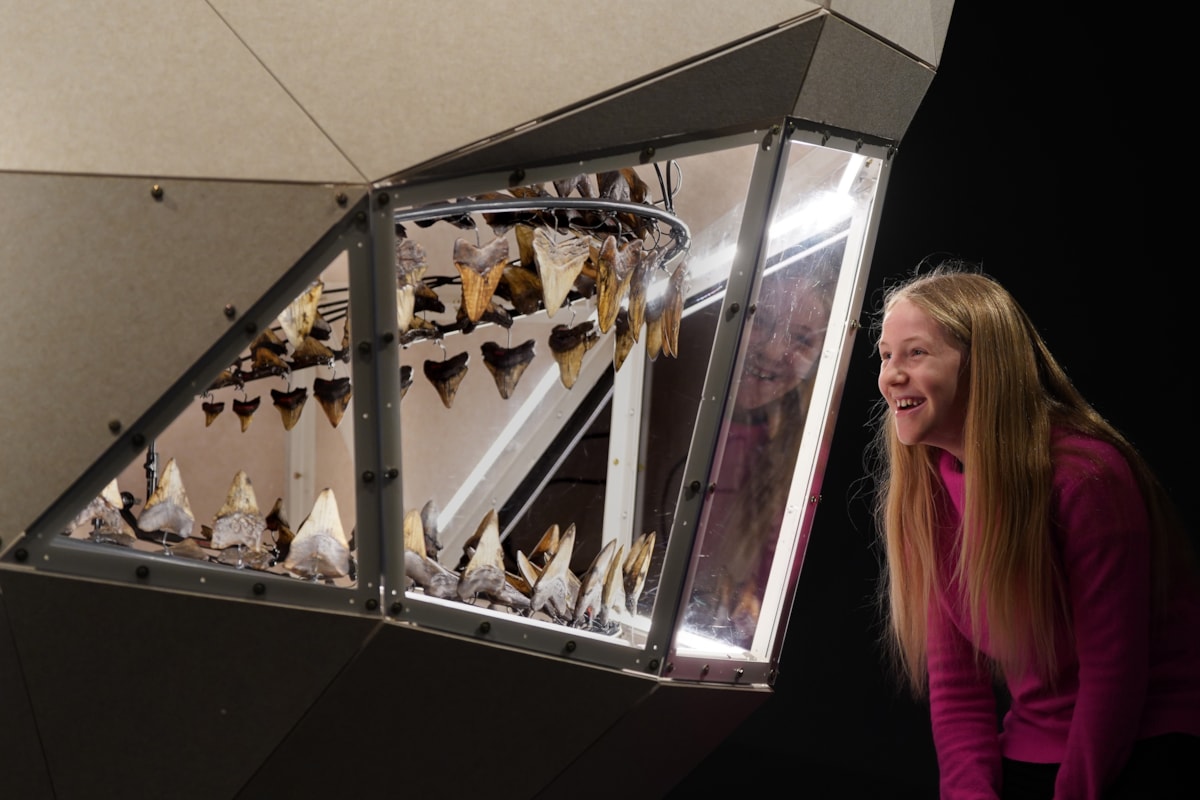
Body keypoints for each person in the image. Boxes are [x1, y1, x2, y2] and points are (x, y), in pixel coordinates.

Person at [870, 260, 1200, 799]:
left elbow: (1115, 674)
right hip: (1035, 741)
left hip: (1148, 736)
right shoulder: (924, 497)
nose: (892, 375)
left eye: (917, 353)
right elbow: (958, 689)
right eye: (886, 356)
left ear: (984, 365)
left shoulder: (1086, 477)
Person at [685, 252, 837, 647]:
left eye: (802, 339)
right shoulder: (675, 407)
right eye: (763, 322)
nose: (772, 351)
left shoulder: (806, 462)